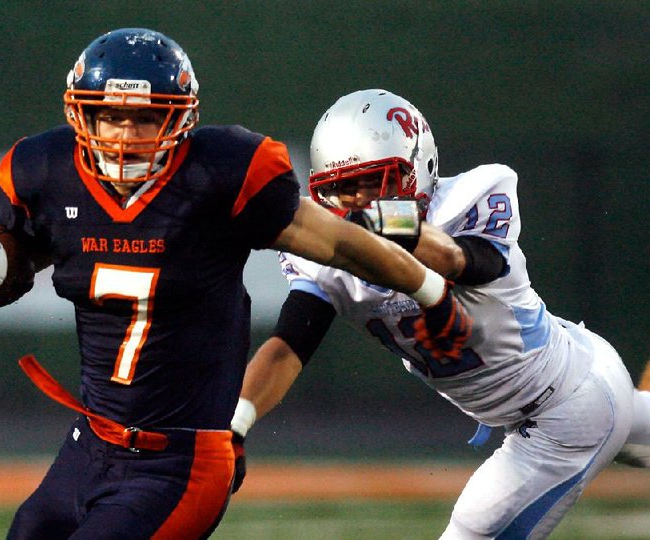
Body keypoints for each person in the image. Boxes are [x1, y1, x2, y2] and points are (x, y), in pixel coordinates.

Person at [0, 31, 472, 539]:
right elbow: (24, 253)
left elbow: (343, 241)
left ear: (178, 119)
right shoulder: (42, 171)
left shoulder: (220, 174)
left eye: (147, 118)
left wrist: (430, 291)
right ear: (83, 116)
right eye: (111, 116)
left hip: (178, 462)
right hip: (89, 444)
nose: (126, 134)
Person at [230, 88, 650, 539]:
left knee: (471, 529)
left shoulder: (470, 199)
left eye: (373, 183)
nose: (355, 201)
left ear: (420, 168)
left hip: (565, 405)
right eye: (340, 189)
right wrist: (236, 423)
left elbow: (455, 258)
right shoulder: (330, 261)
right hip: (569, 383)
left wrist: (364, 224)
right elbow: (289, 345)